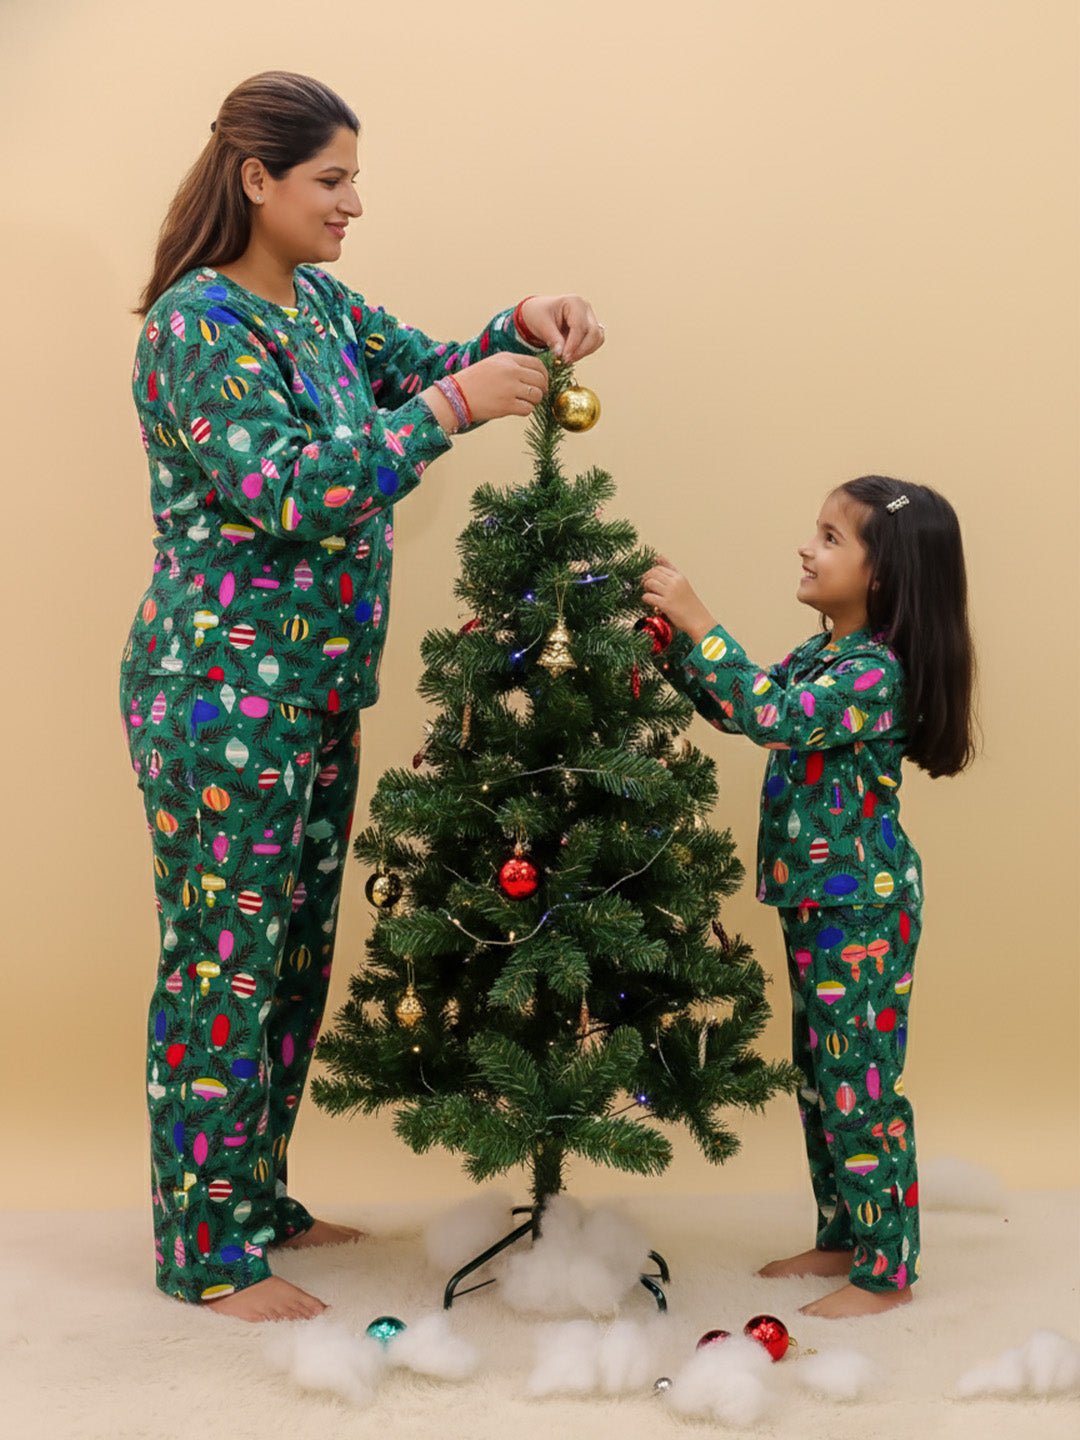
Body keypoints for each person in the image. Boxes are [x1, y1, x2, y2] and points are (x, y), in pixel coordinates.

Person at [119, 69, 604, 1323]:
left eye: (352, 178)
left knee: (285, 961)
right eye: (331, 180)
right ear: (256, 180)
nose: (351, 204)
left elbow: (433, 364)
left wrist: (517, 319)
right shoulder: (195, 327)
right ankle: (202, 1250)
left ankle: (254, 1202)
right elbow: (287, 487)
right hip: (219, 694)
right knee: (221, 966)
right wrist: (448, 411)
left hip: (319, 687)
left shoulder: (323, 307)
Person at [642, 475, 975, 1319]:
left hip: (860, 907)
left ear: (882, 574)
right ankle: (841, 1233)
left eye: (831, 537)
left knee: (861, 1084)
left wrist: (698, 617)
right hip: (815, 903)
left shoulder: (875, 674)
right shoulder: (823, 652)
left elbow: (773, 714)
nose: (807, 546)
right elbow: (737, 705)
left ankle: (886, 1270)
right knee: (822, 1081)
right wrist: (669, 648)